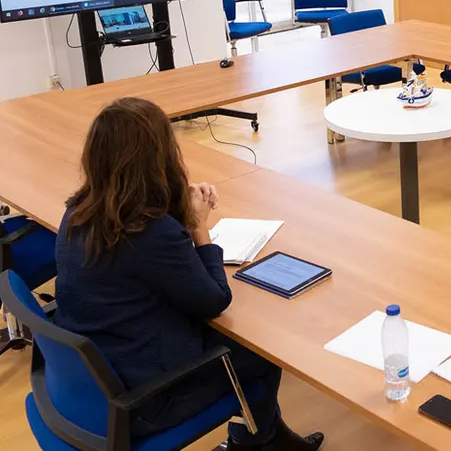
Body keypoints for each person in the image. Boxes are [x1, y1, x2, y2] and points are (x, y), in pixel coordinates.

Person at [54, 98, 323, 451]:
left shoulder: (77, 213)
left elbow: (144, 259)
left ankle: (268, 437)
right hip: (147, 398)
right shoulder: (151, 234)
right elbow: (214, 300)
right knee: (262, 349)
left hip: (94, 380)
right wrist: (198, 228)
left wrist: (178, 204)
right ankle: (258, 442)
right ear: (159, 157)